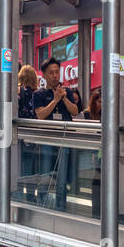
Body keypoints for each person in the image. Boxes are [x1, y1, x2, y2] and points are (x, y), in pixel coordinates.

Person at [32, 58, 81, 210]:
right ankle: (43, 204)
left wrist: (64, 97)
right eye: (51, 73)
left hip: (65, 140)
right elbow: (41, 115)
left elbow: (75, 111)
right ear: (44, 75)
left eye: (57, 72)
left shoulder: (68, 91)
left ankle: (61, 206)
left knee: (62, 177)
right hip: (47, 141)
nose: (55, 76)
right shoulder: (39, 94)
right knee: (46, 174)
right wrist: (55, 100)